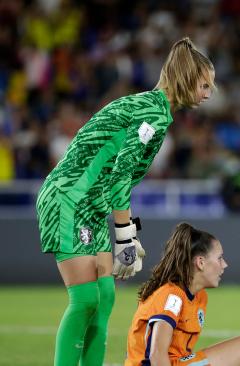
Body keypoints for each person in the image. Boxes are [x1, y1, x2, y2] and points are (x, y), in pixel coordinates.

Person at [35, 37, 215, 366]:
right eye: (205, 84)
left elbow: (121, 180)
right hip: (68, 197)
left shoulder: (151, 108)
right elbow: (121, 176)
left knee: (103, 299)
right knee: (86, 298)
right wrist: (125, 239)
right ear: (187, 79)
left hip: (91, 204)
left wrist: (130, 229)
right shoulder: (153, 114)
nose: (209, 93)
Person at [125, 222, 240, 366]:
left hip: (180, 362)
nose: (225, 264)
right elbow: (156, 355)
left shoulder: (199, 296)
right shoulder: (172, 297)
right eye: (219, 258)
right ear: (201, 263)